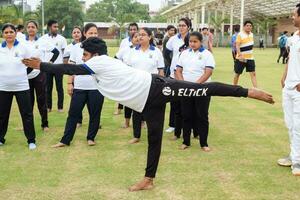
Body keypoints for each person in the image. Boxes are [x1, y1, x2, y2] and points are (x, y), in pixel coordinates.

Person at [23, 37, 274, 191]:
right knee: (154, 140)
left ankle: (248, 92)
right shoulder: (101, 64)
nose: (84, 58)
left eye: (86, 54)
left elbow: (71, 69)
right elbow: (77, 69)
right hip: (147, 102)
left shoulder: (99, 62)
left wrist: (42, 65)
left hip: (158, 88)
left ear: (94, 54)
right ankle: (148, 179)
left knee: (202, 90)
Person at [52, 23, 104, 148]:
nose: (93, 35)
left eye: (95, 33)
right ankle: (65, 140)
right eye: (90, 33)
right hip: (80, 87)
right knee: (73, 114)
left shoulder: (101, 49)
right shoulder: (76, 48)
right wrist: (70, 83)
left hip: (96, 87)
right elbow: (72, 68)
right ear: (84, 33)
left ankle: (91, 137)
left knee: (95, 114)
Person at [123, 28, 164, 144]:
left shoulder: (156, 51)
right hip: (136, 86)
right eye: (139, 35)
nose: (140, 37)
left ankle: (153, 136)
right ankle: (136, 136)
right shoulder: (132, 51)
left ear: (150, 37)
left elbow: (161, 71)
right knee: (136, 112)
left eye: (143, 35)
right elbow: (127, 69)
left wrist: (160, 86)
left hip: (152, 86)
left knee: (152, 112)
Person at [176, 32, 214, 152]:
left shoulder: (207, 54)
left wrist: (196, 85)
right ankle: (186, 141)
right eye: (190, 41)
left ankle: (204, 143)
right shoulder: (184, 53)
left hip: (202, 90)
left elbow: (208, 72)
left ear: (201, 42)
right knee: (186, 115)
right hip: (186, 89)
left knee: (202, 116)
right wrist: (184, 84)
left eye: (195, 41)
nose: (192, 44)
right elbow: (178, 70)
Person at [0, 23, 36, 150]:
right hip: (3, 88)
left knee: (27, 114)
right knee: (2, 115)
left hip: (22, 86)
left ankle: (31, 140)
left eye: (11, 32)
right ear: (3, 34)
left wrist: (22, 75)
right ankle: (1, 138)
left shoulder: (23, 47)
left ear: (15, 33)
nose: (9, 34)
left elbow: (32, 64)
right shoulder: (0, 48)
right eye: (6, 32)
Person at [25, 20, 60, 131]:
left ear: (37, 29)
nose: (31, 29)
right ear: (26, 29)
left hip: (39, 75)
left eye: (33, 27)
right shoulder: (21, 42)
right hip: (25, 76)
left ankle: (45, 124)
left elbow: (56, 52)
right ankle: (27, 125)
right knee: (28, 102)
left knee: (41, 100)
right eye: (29, 27)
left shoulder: (42, 42)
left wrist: (48, 63)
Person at [278, 3, 300, 176]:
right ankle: (294, 156)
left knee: (299, 125)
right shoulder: (295, 36)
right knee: (290, 124)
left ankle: (298, 162)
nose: (292, 17)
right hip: (289, 87)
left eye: (294, 15)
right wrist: (284, 76)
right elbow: (291, 57)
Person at [165, 17, 191, 138]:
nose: (181, 27)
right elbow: (167, 53)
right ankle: (173, 125)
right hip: (173, 74)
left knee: (188, 103)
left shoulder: (192, 38)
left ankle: (189, 127)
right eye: (179, 25)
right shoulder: (173, 39)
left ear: (188, 27)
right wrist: (172, 64)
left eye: (183, 25)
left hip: (188, 75)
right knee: (174, 101)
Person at [40, 19, 67, 112]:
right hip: (47, 67)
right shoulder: (43, 38)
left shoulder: (62, 39)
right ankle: (48, 107)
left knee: (59, 88)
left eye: (57, 27)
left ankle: (60, 107)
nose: (56, 28)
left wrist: (64, 66)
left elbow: (64, 53)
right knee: (48, 88)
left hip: (59, 67)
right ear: (49, 27)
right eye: (54, 27)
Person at [115, 32, 139, 128]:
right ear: (131, 39)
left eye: (139, 36)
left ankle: (142, 122)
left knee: (139, 101)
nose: (137, 38)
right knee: (128, 101)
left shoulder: (144, 50)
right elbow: (116, 59)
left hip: (139, 78)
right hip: (127, 78)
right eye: (135, 37)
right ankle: (127, 122)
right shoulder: (125, 49)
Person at [63, 26, 84, 127]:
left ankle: (96, 121)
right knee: (76, 100)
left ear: (82, 33)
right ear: (72, 34)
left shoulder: (86, 45)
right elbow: (66, 62)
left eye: (78, 32)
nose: (76, 34)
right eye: (74, 32)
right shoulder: (69, 47)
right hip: (73, 76)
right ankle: (78, 120)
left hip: (84, 76)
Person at [233, 20, 257, 88]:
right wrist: (240, 55)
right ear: (244, 27)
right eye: (247, 26)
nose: (249, 27)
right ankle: (234, 88)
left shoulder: (252, 34)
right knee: (237, 74)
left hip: (250, 58)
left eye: (250, 26)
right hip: (241, 58)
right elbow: (237, 45)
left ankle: (256, 89)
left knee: (253, 74)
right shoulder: (240, 35)